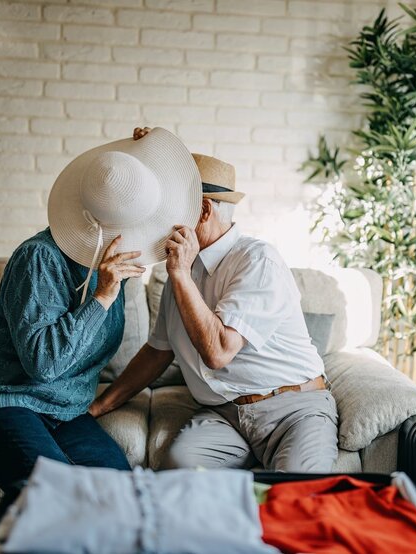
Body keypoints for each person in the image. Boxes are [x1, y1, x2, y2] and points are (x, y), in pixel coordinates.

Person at [0, 127, 203, 550]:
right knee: (58, 501)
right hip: (4, 400)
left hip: (65, 411)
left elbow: (176, 181)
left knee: (124, 498)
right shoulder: (39, 258)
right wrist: (102, 296)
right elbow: (43, 364)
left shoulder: (112, 263)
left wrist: (151, 147)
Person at [91, 135, 339, 473]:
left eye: (169, 212)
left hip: (293, 408)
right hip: (225, 415)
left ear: (204, 210)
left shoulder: (257, 260)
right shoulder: (183, 274)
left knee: (294, 498)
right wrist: (98, 406)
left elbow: (218, 351)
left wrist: (179, 274)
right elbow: (157, 352)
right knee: (178, 474)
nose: (158, 222)